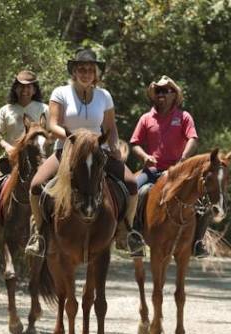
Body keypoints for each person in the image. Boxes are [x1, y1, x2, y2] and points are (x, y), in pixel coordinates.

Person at [25, 48, 145, 258]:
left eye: (90, 69)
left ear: (96, 73)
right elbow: (53, 124)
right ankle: (39, 235)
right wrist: (74, 139)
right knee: (36, 185)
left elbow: (110, 126)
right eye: (82, 68)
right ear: (74, 71)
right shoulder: (60, 93)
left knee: (132, 184)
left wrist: (114, 146)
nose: (86, 73)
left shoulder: (104, 96)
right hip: (68, 150)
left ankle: (127, 232)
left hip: (99, 152)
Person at [130, 75, 210, 258]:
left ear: (174, 94)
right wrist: (144, 156)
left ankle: (198, 241)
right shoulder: (146, 118)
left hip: (178, 172)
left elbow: (193, 138)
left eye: (166, 90)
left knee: (203, 200)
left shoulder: (183, 117)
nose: (162, 94)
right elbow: (134, 143)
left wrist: (183, 158)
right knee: (135, 190)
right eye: (158, 91)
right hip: (152, 171)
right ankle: (135, 236)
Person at [0, 70, 49, 249]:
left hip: (39, 161)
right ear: (15, 88)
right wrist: (7, 147)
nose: (25, 91)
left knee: (55, 192)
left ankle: (52, 234)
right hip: (11, 161)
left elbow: (52, 129)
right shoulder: (6, 110)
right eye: (21, 87)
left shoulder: (44, 109)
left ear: (34, 89)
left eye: (29, 87)